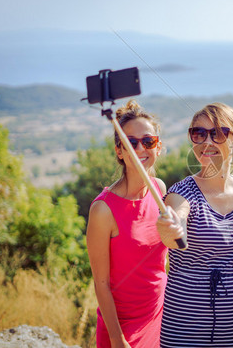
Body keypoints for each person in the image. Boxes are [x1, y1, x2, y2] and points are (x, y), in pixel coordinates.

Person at [156, 103, 233, 347]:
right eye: (198, 133)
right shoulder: (181, 193)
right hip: (184, 329)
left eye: (217, 133)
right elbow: (176, 220)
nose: (207, 141)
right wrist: (172, 227)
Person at [86, 99, 168, 348]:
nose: (140, 148)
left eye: (148, 141)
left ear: (158, 147)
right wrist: (116, 339)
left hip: (160, 317)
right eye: (130, 143)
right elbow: (101, 284)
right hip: (121, 329)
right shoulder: (103, 210)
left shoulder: (159, 189)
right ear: (119, 151)